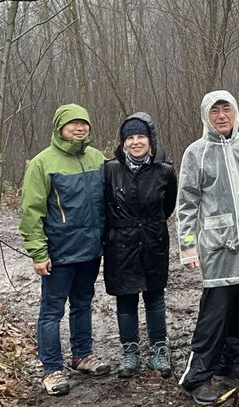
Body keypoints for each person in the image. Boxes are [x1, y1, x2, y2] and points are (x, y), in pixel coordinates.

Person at [177, 91, 239, 405]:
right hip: (218, 250)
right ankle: (197, 378)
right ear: (207, 116)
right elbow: (187, 205)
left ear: (235, 112)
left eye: (226, 109)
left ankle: (229, 363)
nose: (221, 116)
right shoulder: (196, 153)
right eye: (215, 111)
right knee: (214, 316)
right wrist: (189, 247)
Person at [19, 103, 112, 396]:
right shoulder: (42, 163)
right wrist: (38, 252)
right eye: (72, 123)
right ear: (60, 127)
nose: (79, 128)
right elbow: (31, 211)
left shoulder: (98, 158)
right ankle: (51, 369)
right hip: (58, 253)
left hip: (91, 250)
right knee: (51, 311)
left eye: (83, 123)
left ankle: (82, 355)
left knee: (83, 304)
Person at [103, 113, 177, 379]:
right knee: (126, 300)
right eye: (130, 137)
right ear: (123, 142)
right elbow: (104, 206)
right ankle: (130, 351)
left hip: (153, 240)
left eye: (141, 136)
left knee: (155, 298)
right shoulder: (110, 169)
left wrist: (149, 227)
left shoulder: (165, 170)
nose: (136, 142)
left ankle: (158, 349)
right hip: (120, 244)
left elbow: (168, 205)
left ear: (150, 140)